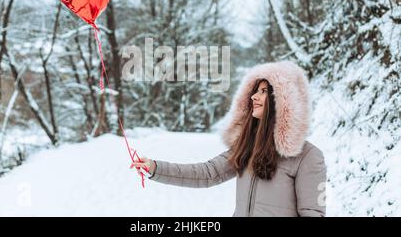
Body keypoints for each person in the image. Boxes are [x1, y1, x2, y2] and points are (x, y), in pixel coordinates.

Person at [130, 60, 327, 217]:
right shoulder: (248, 147)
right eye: (255, 91)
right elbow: (206, 173)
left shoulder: (308, 157)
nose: (254, 97)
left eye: (264, 91)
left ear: (284, 101)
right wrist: (154, 167)